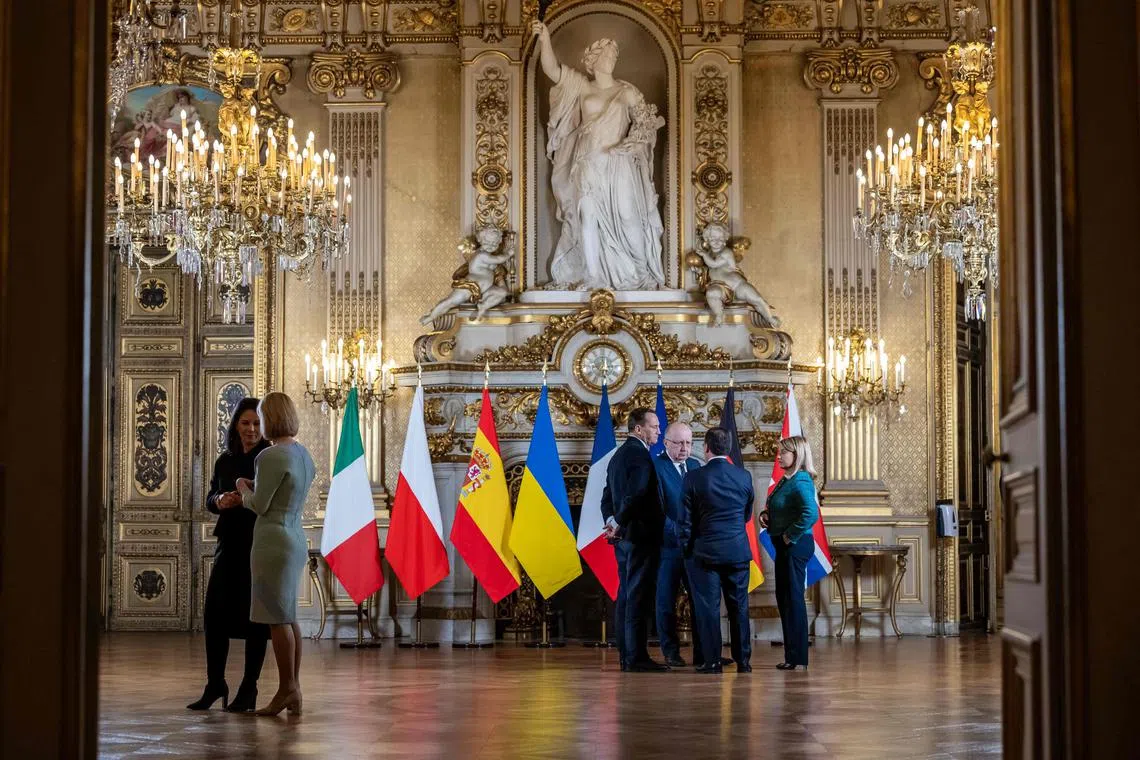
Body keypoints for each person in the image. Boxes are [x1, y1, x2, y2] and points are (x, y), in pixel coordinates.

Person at [531, 20, 667, 290]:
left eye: (614, 54)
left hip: (619, 164)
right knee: (587, 216)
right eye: (606, 54)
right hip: (588, 162)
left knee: (628, 217)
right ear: (591, 60)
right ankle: (592, 276)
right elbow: (553, 70)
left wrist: (633, 141)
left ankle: (641, 273)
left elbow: (646, 124)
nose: (611, 58)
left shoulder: (626, 92)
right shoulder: (581, 87)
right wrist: (545, 40)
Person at [187, 398, 271, 712]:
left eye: (257, 424)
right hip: (229, 543)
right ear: (236, 424)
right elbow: (210, 495)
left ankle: (249, 687)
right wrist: (219, 499)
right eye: (245, 423)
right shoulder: (225, 460)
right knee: (215, 615)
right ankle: (215, 684)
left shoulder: (269, 458)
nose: (251, 430)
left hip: (258, 542)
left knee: (255, 620)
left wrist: (245, 498)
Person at [235, 392, 316, 715]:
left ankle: (286, 689)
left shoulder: (269, 456)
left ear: (269, 418)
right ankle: (293, 688)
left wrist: (243, 489)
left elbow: (260, 505)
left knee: (276, 619)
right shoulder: (303, 453)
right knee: (288, 616)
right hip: (295, 537)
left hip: (273, 541)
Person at [680, 427, 755, 674]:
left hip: (704, 554)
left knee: (708, 608)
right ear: (730, 448)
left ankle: (712, 662)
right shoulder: (744, 477)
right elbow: (746, 515)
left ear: (707, 448)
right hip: (737, 552)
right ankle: (743, 662)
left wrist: (686, 549)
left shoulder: (693, 477)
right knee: (739, 607)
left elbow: (686, 521)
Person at [600, 408, 667, 672]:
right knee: (638, 597)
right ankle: (637, 657)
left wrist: (611, 521)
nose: (658, 431)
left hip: (625, 537)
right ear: (639, 429)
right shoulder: (639, 455)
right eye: (654, 426)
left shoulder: (618, 456)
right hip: (640, 536)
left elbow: (607, 495)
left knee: (626, 595)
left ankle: (627, 655)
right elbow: (636, 494)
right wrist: (617, 522)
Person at [759, 435, 820, 671]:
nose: (779, 455)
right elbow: (782, 507)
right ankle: (791, 656)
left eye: (783, 452)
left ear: (797, 455)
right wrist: (767, 517)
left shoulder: (802, 480)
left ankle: (798, 657)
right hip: (785, 546)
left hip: (795, 546)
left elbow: (810, 514)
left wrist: (789, 535)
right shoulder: (787, 480)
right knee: (785, 599)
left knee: (792, 600)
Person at [652, 422, 704, 668]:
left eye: (688, 443)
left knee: (700, 600)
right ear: (666, 443)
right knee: (666, 601)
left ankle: (704, 652)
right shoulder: (656, 467)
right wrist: (680, 532)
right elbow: (657, 510)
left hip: (695, 548)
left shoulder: (695, 466)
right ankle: (671, 652)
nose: (684, 448)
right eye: (679, 443)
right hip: (668, 547)